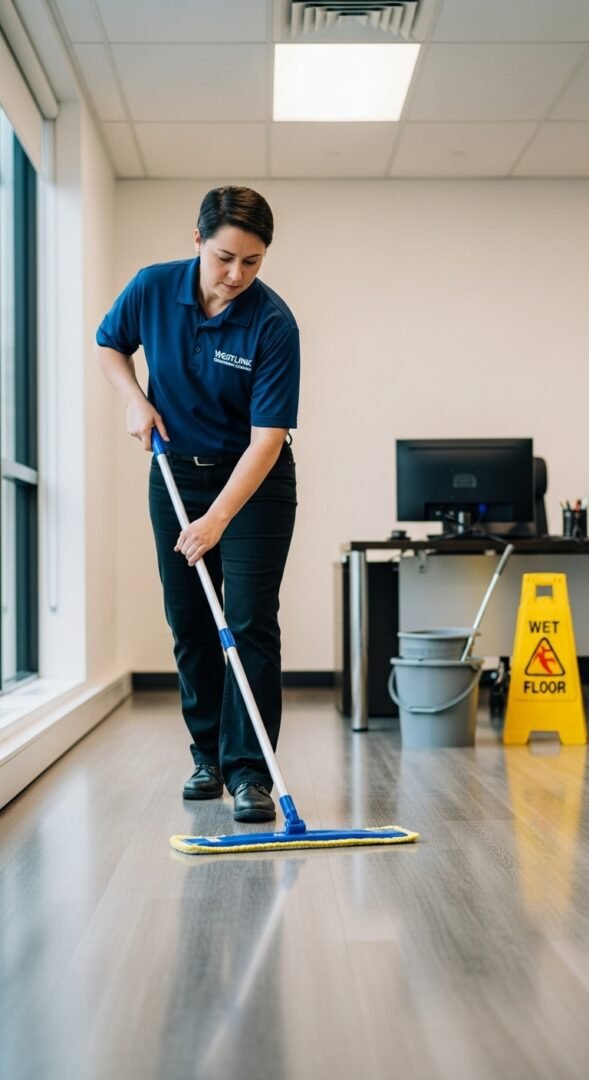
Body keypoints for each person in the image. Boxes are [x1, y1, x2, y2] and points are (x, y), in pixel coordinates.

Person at [95, 186, 299, 823]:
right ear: (196, 242)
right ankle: (207, 756)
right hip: (176, 474)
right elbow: (110, 344)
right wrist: (135, 397)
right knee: (189, 621)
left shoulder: (272, 322)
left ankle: (249, 773)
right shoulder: (154, 288)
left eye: (253, 262)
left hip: (254, 485)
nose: (237, 275)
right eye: (224, 258)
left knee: (246, 621)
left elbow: (267, 441)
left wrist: (217, 520)